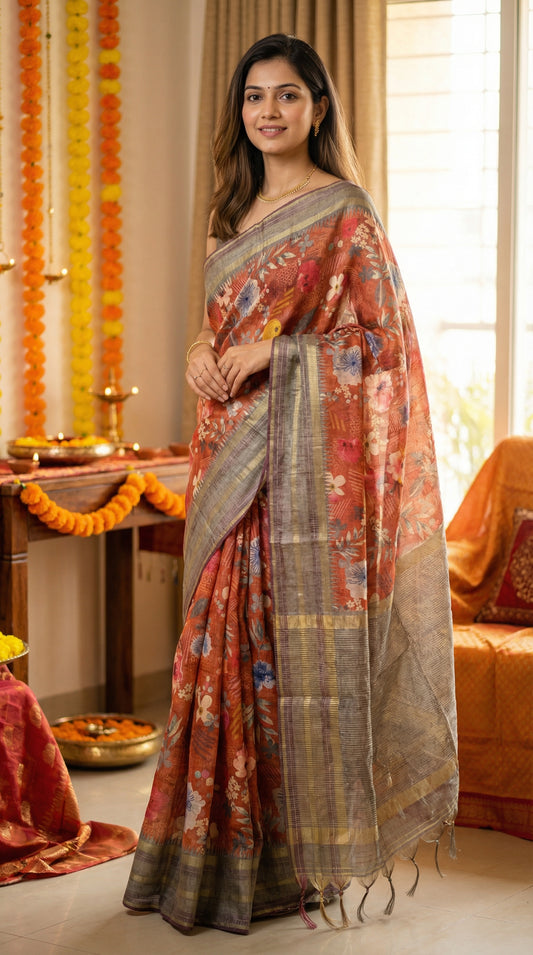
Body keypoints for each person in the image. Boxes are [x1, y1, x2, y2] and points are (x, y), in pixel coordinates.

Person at [123, 33, 458, 935]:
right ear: (239, 112)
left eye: (287, 96)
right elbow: (213, 326)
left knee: (280, 666)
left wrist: (278, 351)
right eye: (253, 97)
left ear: (317, 107)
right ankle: (205, 854)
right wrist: (200, 352)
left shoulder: (343, 212)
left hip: (300, 482)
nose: (267, 112)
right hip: (228, 458)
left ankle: (287, 862)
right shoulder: (231, 212)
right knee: (213, 652)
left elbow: (384, 348)